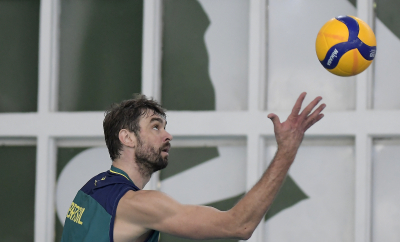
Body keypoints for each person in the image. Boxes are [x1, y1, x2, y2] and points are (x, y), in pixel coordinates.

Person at [61, 92, 326, 242]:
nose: (168, 136)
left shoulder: (90, 190)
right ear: (127, 137)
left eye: (164, 127)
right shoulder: (140, 204)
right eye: (155, 126)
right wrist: (287, 150)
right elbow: (239, 226)